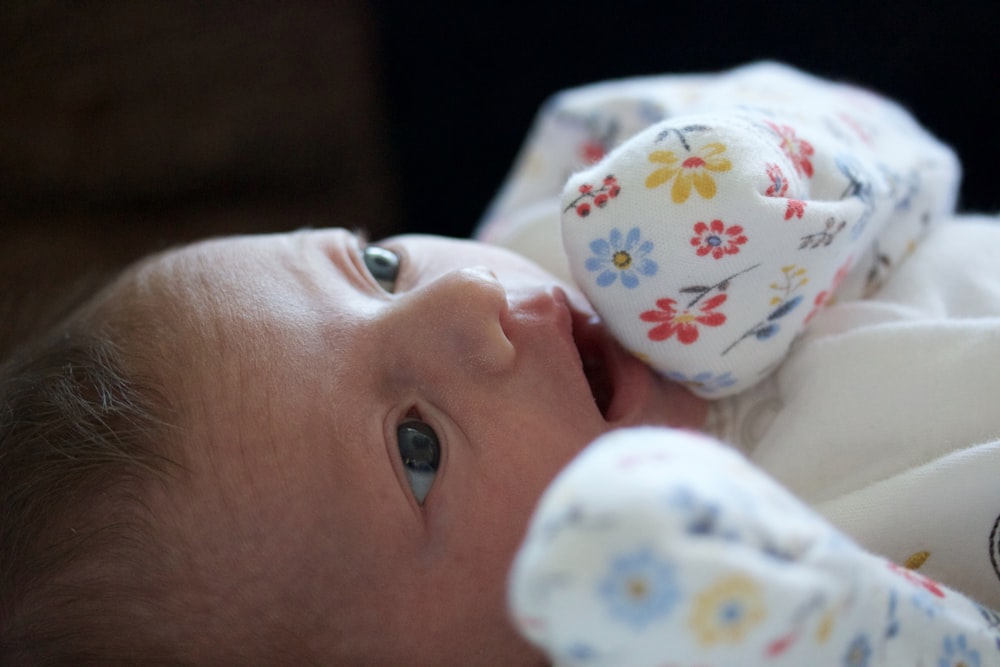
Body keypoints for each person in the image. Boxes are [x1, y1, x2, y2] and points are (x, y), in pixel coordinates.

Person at [1, 62, 997, 665]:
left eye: (375, 265)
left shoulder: (577, 211)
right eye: (417, 448)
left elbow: (909, 149)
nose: (465, 300)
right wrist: (804, 624)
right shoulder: (692, 619)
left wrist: (777, 174)